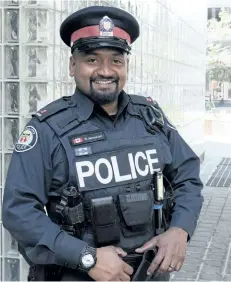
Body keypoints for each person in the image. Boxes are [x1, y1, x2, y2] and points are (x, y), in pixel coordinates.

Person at [2, 5, 204, 282]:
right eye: (93, 60)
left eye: (116, 60)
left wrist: (181, 229)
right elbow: (18, 211)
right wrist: (86, 256)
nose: (106, 71)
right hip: (77, 274)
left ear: (126, 66)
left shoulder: (150, 117)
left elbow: (187, 176)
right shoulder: (46, 129)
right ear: (73, 65)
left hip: (150, 273)